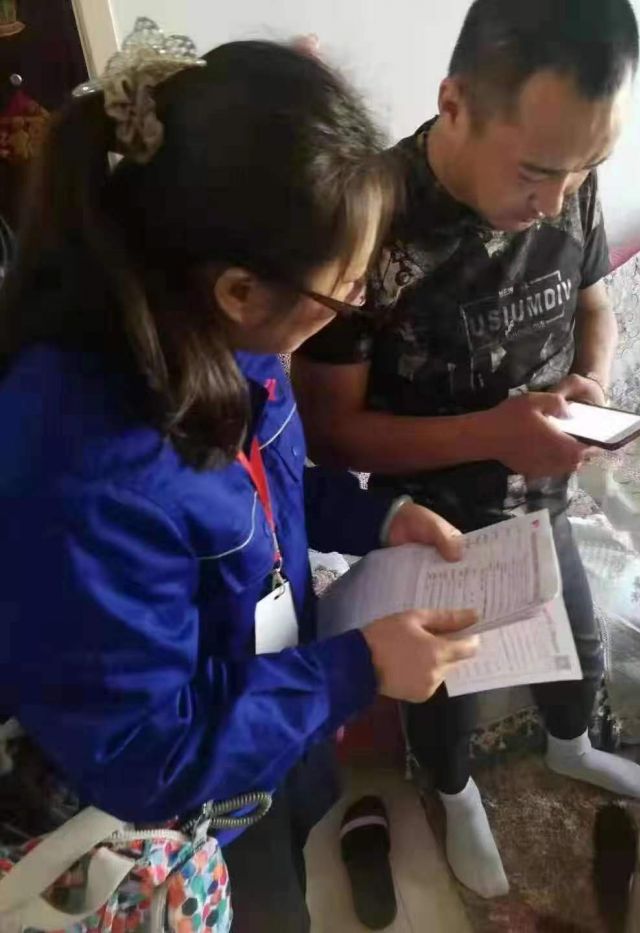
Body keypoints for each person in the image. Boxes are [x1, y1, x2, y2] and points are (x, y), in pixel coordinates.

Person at [0, 27, 481, 932]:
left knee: (290, 845)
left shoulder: (222, 335)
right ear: (239, 289)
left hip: (260, 720)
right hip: (169, 811)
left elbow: (268, 483)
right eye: (344, 292)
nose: (358, 304)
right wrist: (358, 666)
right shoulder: (86, 468)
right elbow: (141, 748)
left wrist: (380, 518)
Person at [292, 0, 640, 900]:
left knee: (576, 646)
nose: (558, 200)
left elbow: (595, 303)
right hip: (424, 523)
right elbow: (330, 431)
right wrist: (493, 432)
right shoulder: (370, 219)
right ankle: (453, 795)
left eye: (585, 169)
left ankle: (571, 745)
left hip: (542, 498)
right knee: (443, 689)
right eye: (536, 172)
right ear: (454, 103)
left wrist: (592, 383)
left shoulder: (567, 168)